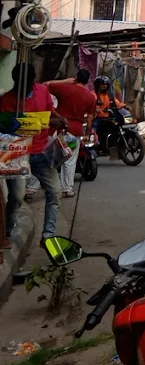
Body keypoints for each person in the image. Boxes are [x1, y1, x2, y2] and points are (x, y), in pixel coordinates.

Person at [0, 67, 62, 241]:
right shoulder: (7, 100)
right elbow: (8, 126)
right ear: (15, 81)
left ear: (33, 80)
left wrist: (59, 119)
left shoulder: (42, 90)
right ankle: (7, 231)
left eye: (28, 83)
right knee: (17, 197)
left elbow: (50, 111)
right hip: (18, 154)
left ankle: (48, 236)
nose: (25, 86)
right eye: (21, 83)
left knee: (55, 192)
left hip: (41, 151)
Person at [47, 70, 95, 198]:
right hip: (75, 132)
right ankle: (67, 189)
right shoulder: (90, 96)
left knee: (49, 158)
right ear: (88, 80)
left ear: (75, 78)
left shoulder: (64, 88)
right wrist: (87, 134)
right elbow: (90, 117)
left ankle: (32, 188)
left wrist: (65, 81)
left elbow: (45, 85)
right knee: (70, 160)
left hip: (58, 129)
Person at [91, 77, 126, 155]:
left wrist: (124, 106)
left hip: (107, 118)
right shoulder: (94, 95)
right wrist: (96, 109)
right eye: (102, 84)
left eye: (106, 84)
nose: (104, 86)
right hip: (97, 118)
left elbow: (116, 103)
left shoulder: (109, 95)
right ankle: (92, 146)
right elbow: (90, 105)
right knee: (93, 131)